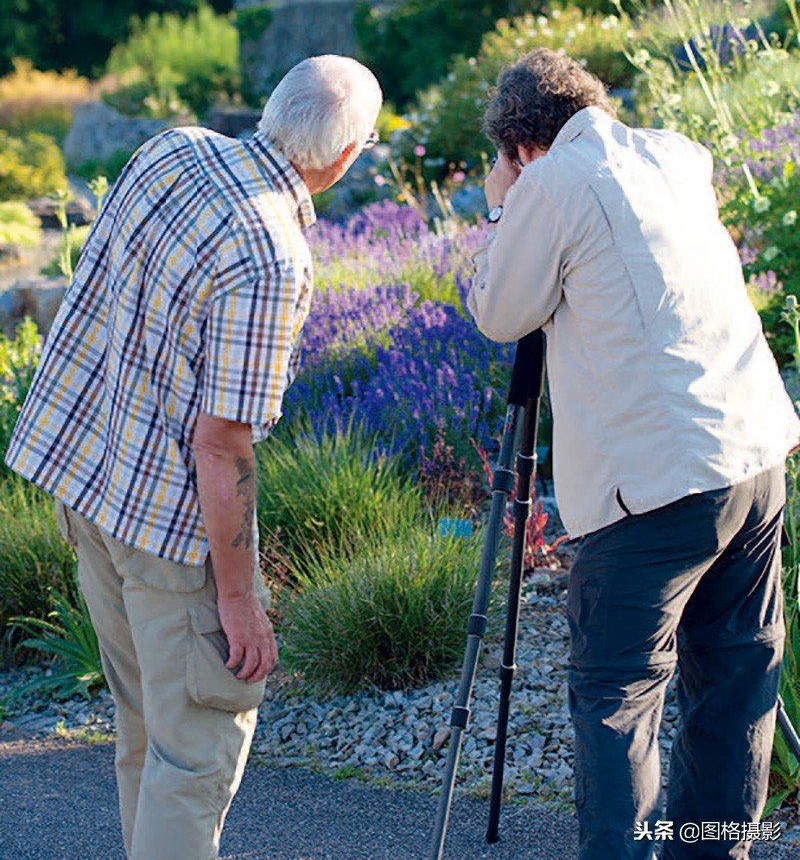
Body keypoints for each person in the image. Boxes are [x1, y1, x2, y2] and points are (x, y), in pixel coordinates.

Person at [4, 54, 382, 860]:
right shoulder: (272, 256)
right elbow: (222, 442)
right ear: (346, 158)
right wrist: (240, 601)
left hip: (91, 494)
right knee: (193, 759)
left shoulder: (170, 149)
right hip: (169, 541)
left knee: (144, 737)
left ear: (273, 109)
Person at [467, 48, 800, 860]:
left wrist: (501, 212)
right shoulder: (676, 154)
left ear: (520, 145)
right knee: (735, 684)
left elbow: (500, 311)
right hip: (753, 456)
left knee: (618, 698)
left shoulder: (547, 183)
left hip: (653, 485)